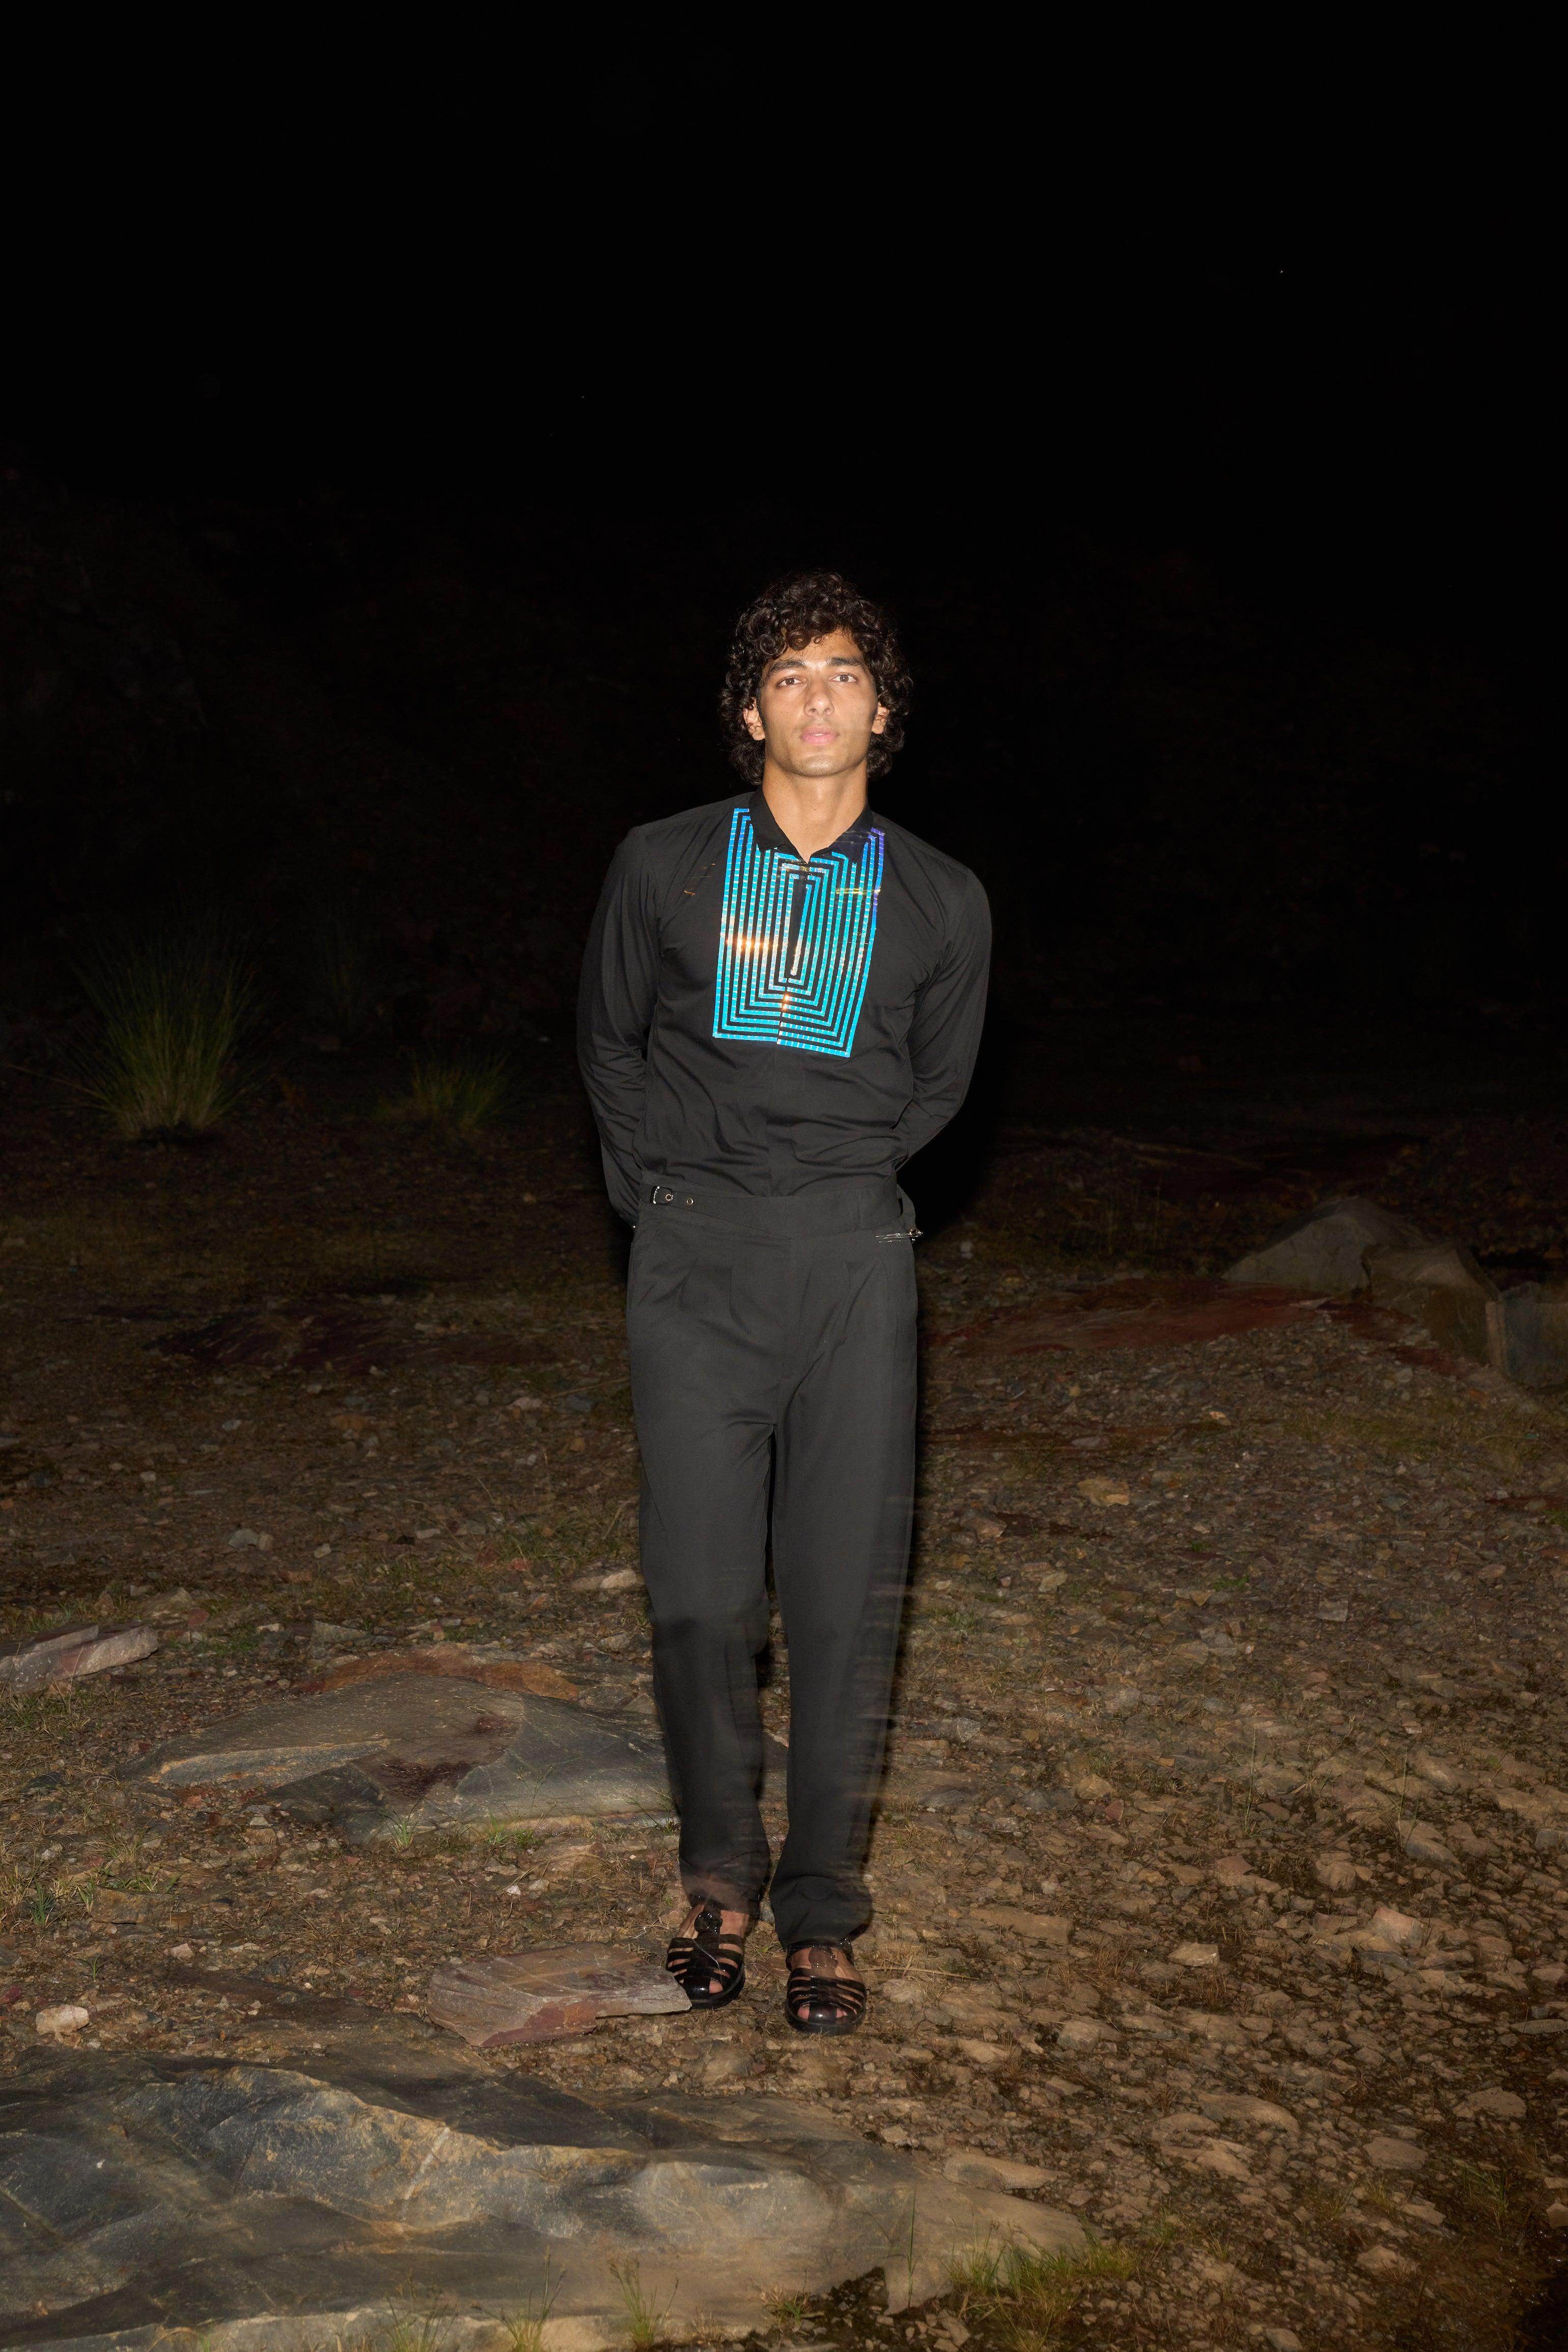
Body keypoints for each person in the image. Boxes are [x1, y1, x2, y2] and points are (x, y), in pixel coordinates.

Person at [577, 571, 990, 2034]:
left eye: (846, 674)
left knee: (839, 1604)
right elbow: (609, 1043)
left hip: (853, 1266)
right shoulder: (663, 863)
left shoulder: (943, 897)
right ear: (752, 710)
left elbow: (940, 1088)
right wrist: (667, 1199)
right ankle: (718, 1878)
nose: (819, 697)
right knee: (699, 1597)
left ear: (884, 709)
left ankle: (823, 1907)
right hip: (695, 1262)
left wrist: (829, 1181)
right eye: (790, 675)